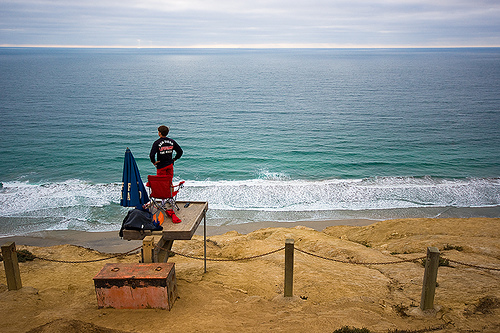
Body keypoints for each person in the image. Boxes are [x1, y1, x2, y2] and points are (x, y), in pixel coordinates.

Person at [149, 125, 183, 223]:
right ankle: (170, 198)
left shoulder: (157, 143)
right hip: (170, 165)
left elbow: (151, 155)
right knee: (169, 181)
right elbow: (180, 151)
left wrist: (154, 162)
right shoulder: (172, 141)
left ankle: (163, 200)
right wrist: (174, 159)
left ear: (159, 133)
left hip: (161, 166)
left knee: (161, 183)